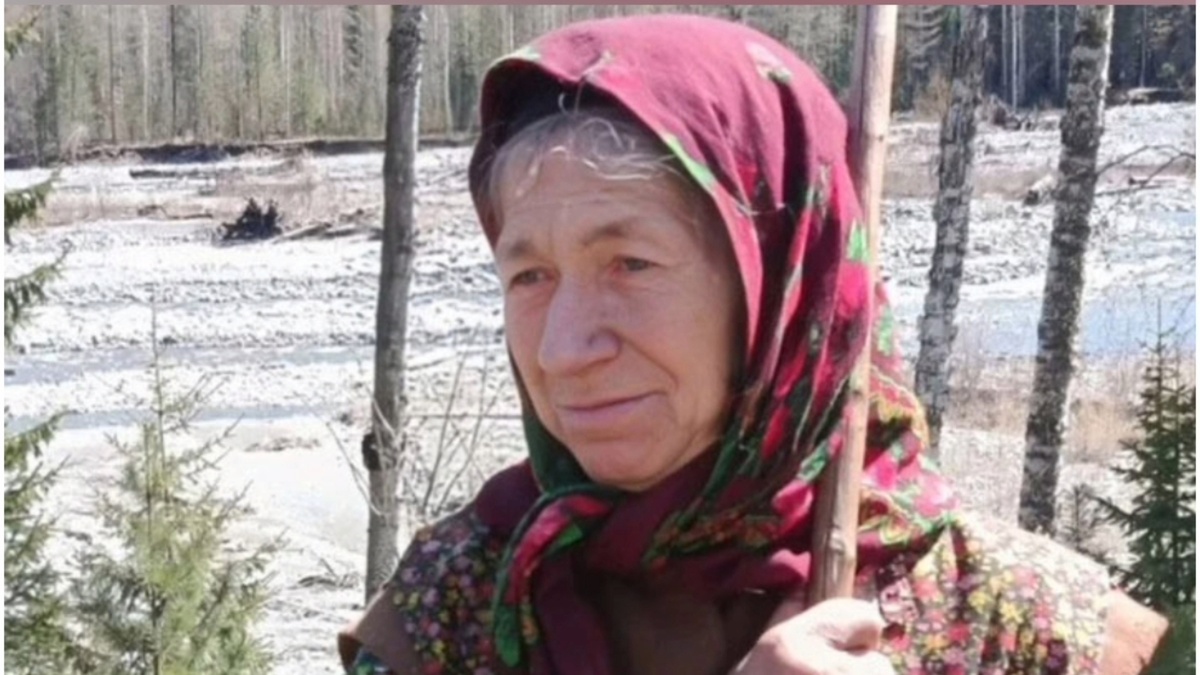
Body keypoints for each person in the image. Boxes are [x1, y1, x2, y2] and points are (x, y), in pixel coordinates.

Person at [339, 14, 1167, 675]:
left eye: (630, 263)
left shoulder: (1022, 629)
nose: (562, 350)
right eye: (530, 276)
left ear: (784, 290)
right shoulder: (457, 607)